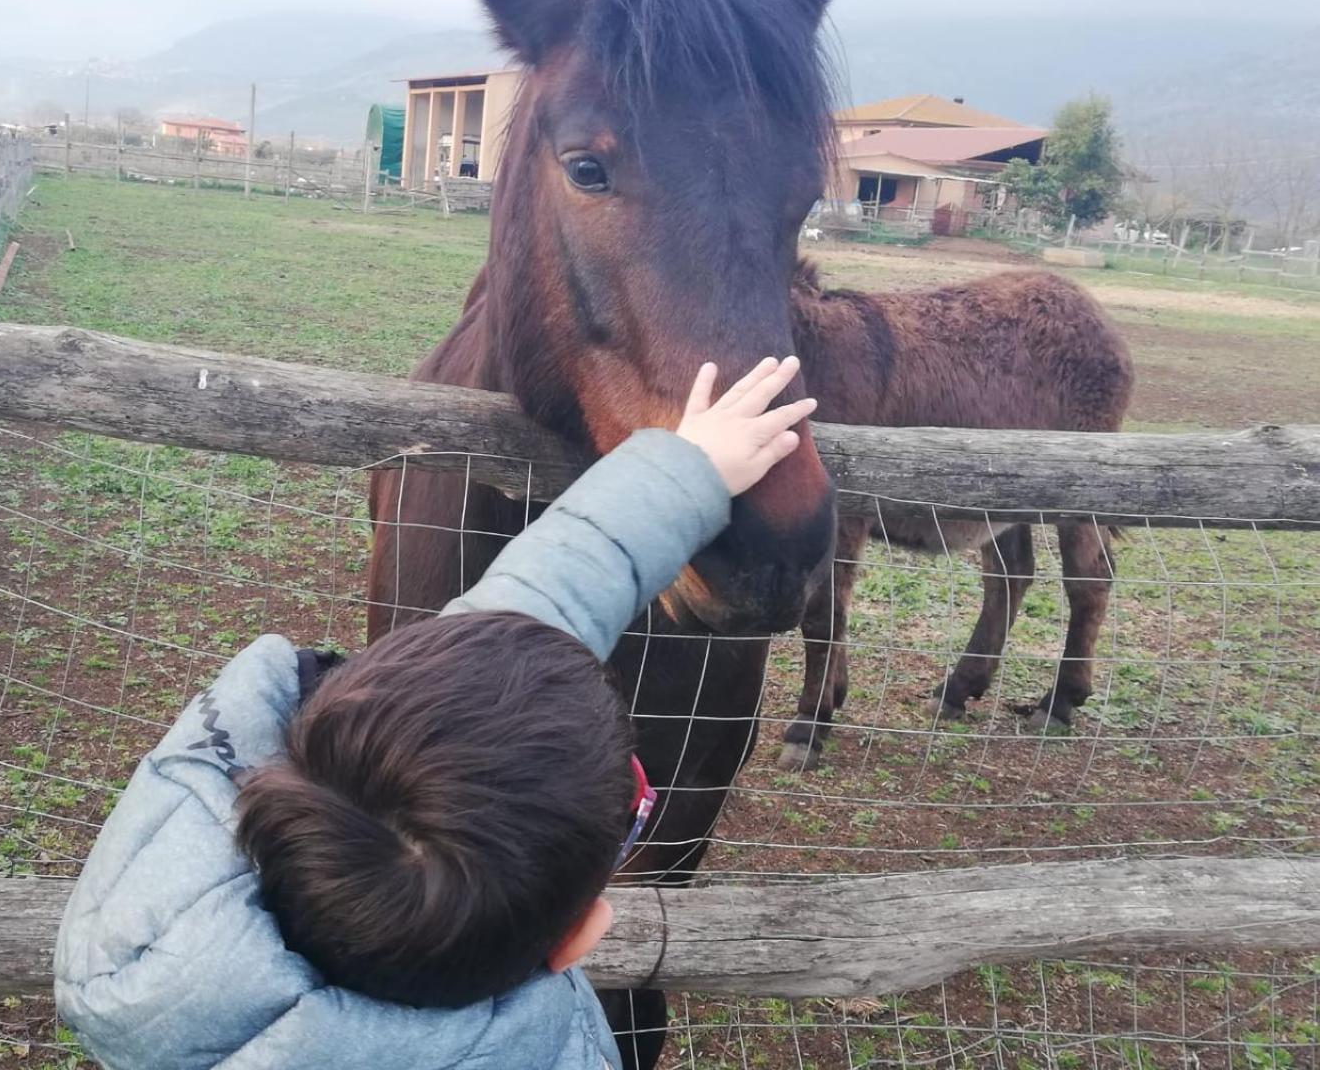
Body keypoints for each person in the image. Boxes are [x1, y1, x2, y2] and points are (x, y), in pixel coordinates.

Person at [55, 356, 818, 1070]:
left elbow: (528, 605)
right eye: (634, 809)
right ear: (579, 938)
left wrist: (680, 475)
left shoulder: (146, 932)